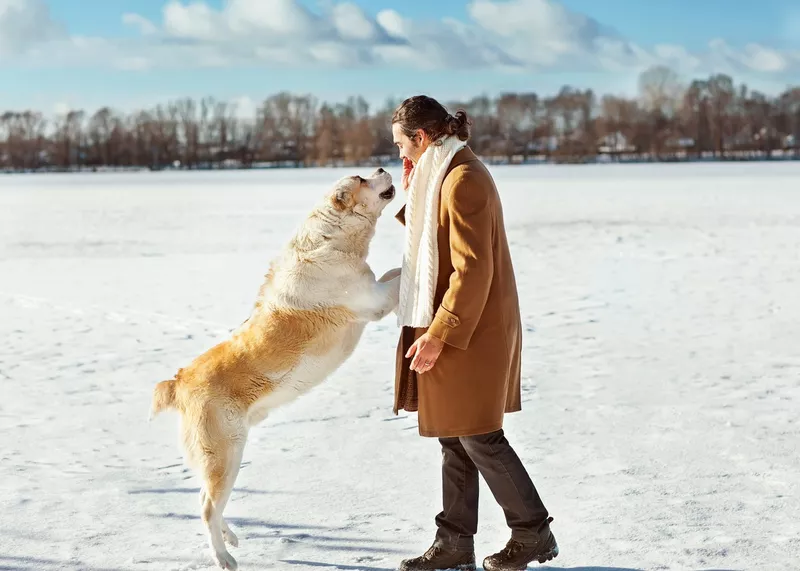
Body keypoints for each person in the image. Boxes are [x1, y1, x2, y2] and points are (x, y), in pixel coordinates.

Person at [389, 95, 558, 571]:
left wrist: (439, 333)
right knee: (454, 434)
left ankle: (533, 533)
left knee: (479, 435)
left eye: (403, 145)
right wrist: (412, 193)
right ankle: (454, 543)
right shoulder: (440, 173)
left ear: (423, 137)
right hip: (457, 320)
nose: (401, 154)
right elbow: (434, 234)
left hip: (472, 328)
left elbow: (473, 269)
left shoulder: (463, 179)